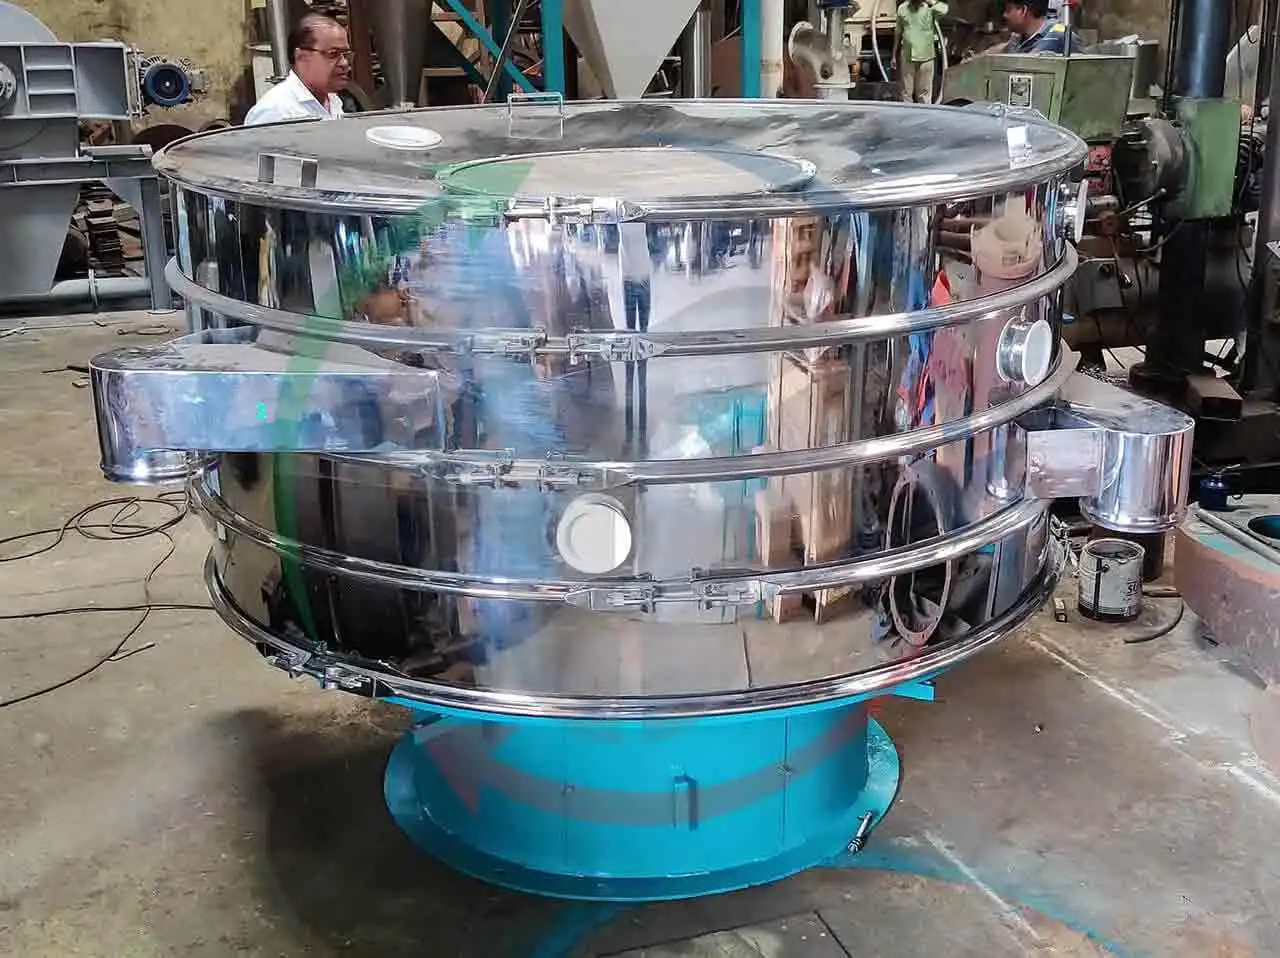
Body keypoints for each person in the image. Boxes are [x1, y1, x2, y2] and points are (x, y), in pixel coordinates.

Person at [245, 13, 350, 125]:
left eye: (346, 54)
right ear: (301, 56)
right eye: (333, 54)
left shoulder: (333, 100)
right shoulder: (276, 111)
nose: (344, 63)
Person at [892, 0, 948, 104]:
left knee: (924, 93)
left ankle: (925, 112)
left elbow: (944, 10)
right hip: (907, 56)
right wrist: (894, 55)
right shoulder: (902, 9)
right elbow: (898, 32)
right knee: (906, 92)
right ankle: (907, 112)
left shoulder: (930, 8)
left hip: (926, 56)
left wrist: (930, 1)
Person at [1001, 0, 1073, 55]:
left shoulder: (1056, 37)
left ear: (1023, 10)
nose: (1004, 15)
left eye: (1008, 10)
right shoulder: (1018, 37)